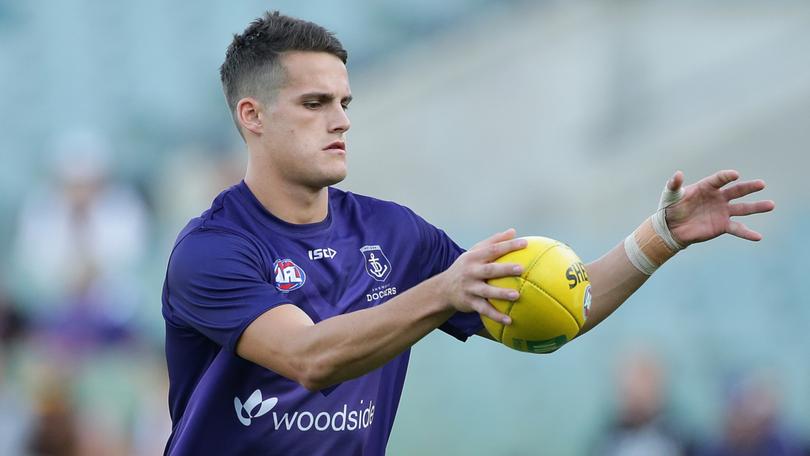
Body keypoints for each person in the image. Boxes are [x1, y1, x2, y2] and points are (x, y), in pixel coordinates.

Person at [161, 11, 775, 455]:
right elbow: (310, 358)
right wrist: (442, 292)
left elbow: (558, 309)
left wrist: (659, 239)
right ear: (253, 116)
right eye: (316, 103)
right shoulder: (212, 249)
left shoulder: (392, 233)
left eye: (346, 102)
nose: (342, 121)